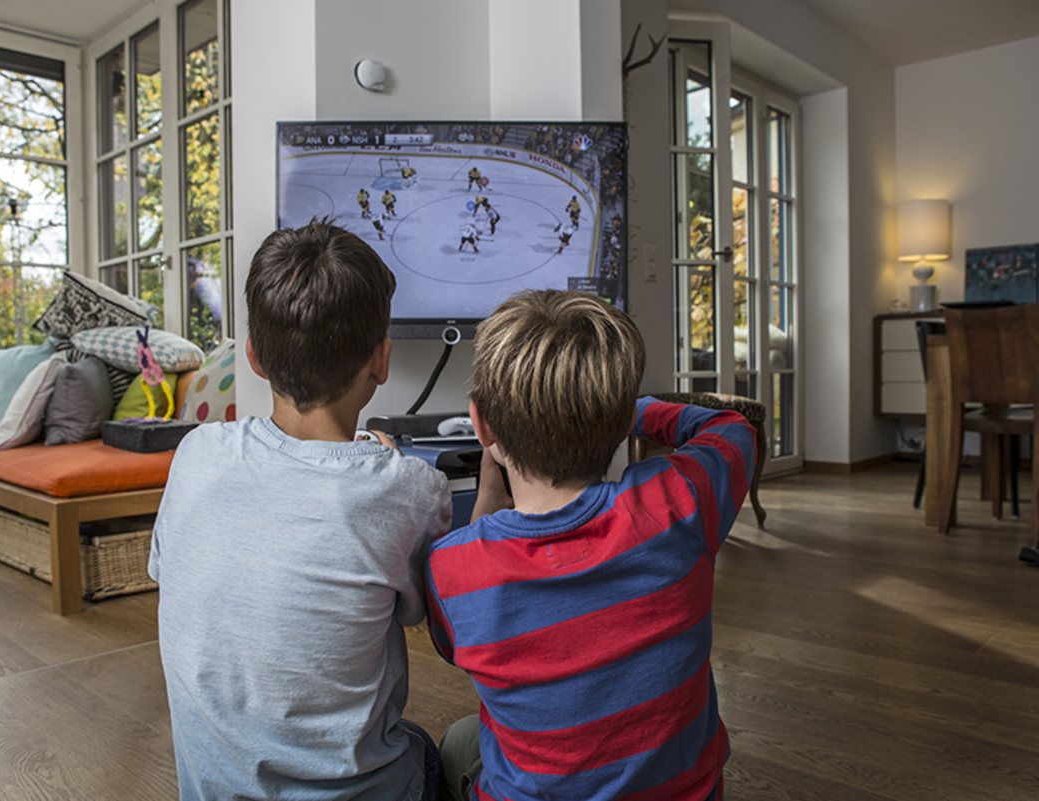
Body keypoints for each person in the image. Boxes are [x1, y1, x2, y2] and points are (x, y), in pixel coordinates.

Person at [151, 219, 452, 801]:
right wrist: (389, 472)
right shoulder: (410, 488)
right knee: (441, 748)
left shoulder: (195, 454)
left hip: (214, 789)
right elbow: (437, 618)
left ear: (256, 359)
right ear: (381, 361)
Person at [426, 289, 755, 801]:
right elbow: (731, 428)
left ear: (482, 425)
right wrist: (639, 408)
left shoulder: (452, 567)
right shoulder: (678, 504)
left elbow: (454, 648)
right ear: (624, 423)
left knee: (457, 741)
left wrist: (487, 500)